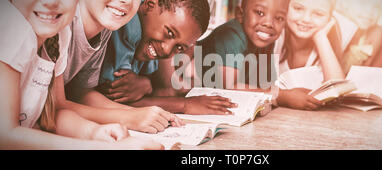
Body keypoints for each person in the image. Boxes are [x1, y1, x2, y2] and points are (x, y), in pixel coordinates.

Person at [0, 0, 163, 150]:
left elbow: (53, 111)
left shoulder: (60, 34)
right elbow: (5, 136)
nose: (51, 2)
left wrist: (92, 132)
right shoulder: (11, 26)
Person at [60, 0, 184, 134]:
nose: (126, 1)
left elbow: (81, 93)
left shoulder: (105, 28)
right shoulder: (59, 23)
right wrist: (128, 117)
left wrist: (143, 114)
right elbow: (54, 107)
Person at [96, 0, 236, 115]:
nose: (167, 49)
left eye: (179, 47)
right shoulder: (131, 27)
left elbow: (154, 85)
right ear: (149, 5)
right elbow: (114, 100)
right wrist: (185, 105)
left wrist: (146, 84)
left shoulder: (147, 42)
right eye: (169, 33)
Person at [273, 0, 352, 110]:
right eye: (298, 8)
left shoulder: (326, 42)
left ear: (330, 19)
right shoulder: (272, 36)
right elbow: (250, 86)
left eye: (318, 14)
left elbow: (338, 91)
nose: (306, 19)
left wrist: (320, 37)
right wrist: (283, 96)